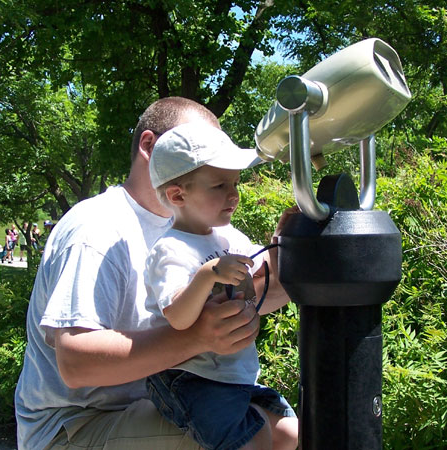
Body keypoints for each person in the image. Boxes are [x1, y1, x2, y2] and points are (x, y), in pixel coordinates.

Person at [15, 97, 264, 450]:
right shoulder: (97, 229)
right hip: (72, 426)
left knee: (281, 431)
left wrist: (296, 245)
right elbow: (75, 363)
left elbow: (259, 283)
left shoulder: (198, 229)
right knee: (244, 441)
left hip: (152, 403)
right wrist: (198, 338)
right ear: (150, 145)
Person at [144, 123, 299, 450]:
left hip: (235, 376)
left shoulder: (230, 238)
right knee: (254, 440)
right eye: (219, 185)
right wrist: (207, 274)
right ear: (178, 195)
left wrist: (280, 240)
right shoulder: (170, 249)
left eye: (235, 183)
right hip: (190, 380)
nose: (234, 194)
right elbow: (178, 316)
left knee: (291, 434)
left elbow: (264, 274)